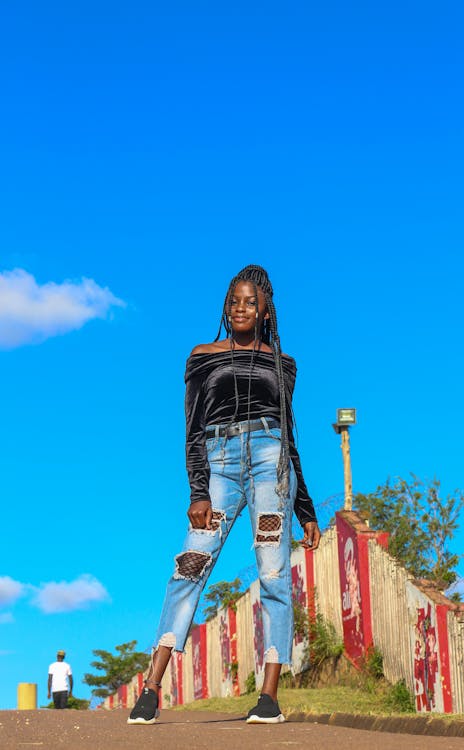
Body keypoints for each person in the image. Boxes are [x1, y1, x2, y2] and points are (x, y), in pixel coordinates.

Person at [128, 264, 321, 725]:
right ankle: (152, 689)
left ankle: (269, 698)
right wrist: (198, 491)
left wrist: (305, 509)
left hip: (271, 463)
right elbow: (192, 430)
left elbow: (289, 437)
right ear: (225, 306)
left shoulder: (283, 364)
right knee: (190, 566)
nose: (240, 308)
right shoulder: (202, 356)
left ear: (266, 310)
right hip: (219, 466)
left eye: (250, 301)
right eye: (234, 300)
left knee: (274, 573)